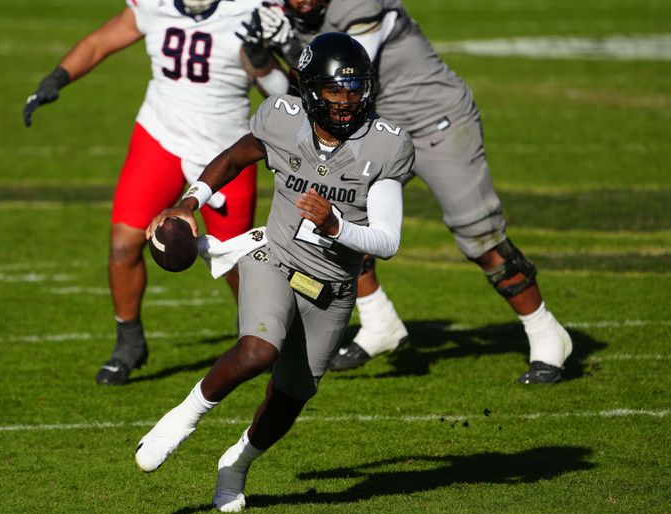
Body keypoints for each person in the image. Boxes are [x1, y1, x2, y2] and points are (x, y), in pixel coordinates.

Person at [133, 32, 415, 512]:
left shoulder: (384, 147)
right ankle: (180, 419)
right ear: (310, 90)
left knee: (290, 398)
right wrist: (187, 203)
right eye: (334, 91)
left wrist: (336, 224)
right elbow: (234, 157)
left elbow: (387, 241)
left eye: (355, 89)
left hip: (332, 288)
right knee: (259, 349)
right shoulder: (284, 121)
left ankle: (236, 465)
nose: (347, 102)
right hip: (274, 257)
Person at [237, 0, 573, 383]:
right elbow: (308, 103)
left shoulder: (356, 6)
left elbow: (351, 72)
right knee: (336, 222)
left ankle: (545, 333)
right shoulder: (286, 18)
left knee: (478, 235)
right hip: (365, 134)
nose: (302, 2)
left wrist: (294, 48)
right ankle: (380, 322)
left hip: (435, 125)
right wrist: (261, 55)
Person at [22, 0, 289, 385]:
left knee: (236, 258)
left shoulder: (252, 9)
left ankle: (261, 335)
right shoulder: (155, 4)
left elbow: (280, 91)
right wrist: (57, 78)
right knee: (123, 244)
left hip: (224, 148)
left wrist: (262, 58)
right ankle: (129, 341)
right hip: (160, 135)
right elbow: (101, 42)